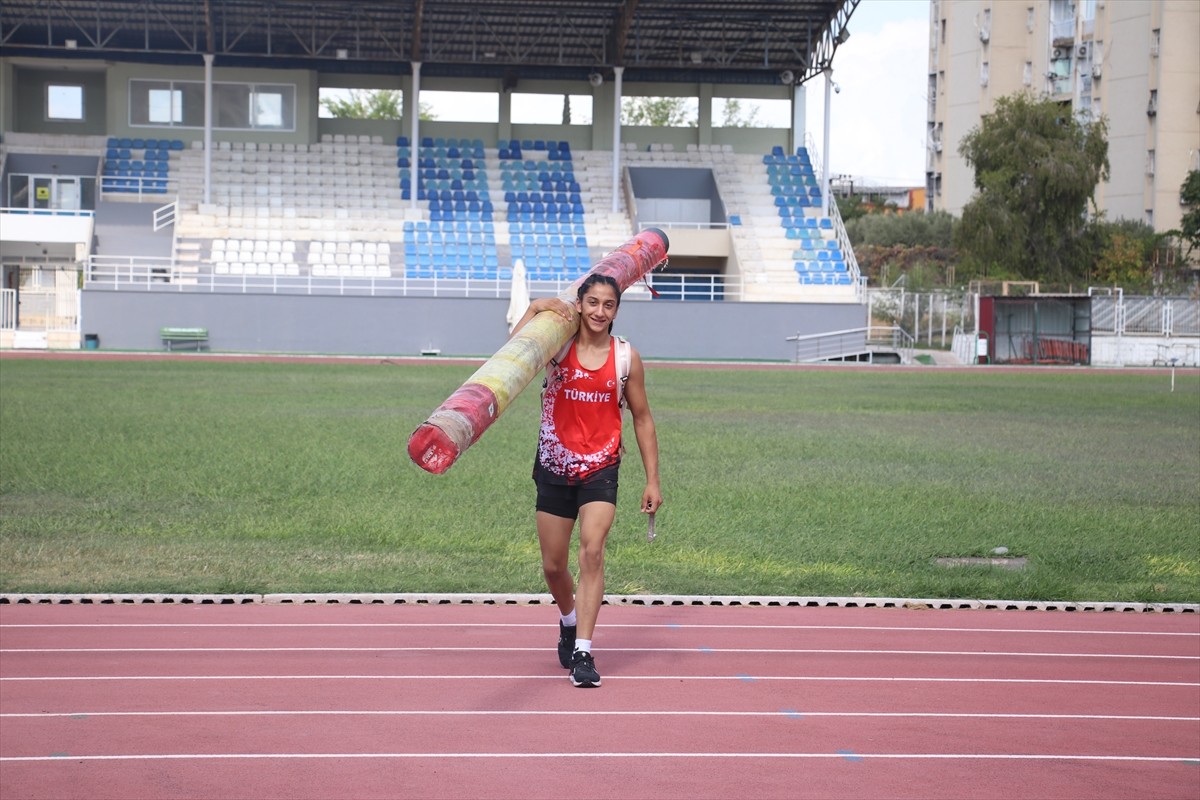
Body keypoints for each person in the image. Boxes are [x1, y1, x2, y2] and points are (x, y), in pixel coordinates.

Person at [510, 274, 662, 688]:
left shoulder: (626, 358)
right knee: (553, 566)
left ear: (616, 310)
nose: (599, 311)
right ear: (578, 304)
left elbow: (642, 418)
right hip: (555, 467)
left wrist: (653, 480)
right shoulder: (556, 348)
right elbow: (513, 353)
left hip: (601, 468)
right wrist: (536, 307)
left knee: (592, 551)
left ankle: (583, 651)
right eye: (592, 302)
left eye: (608, 305)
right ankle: (568, 618)